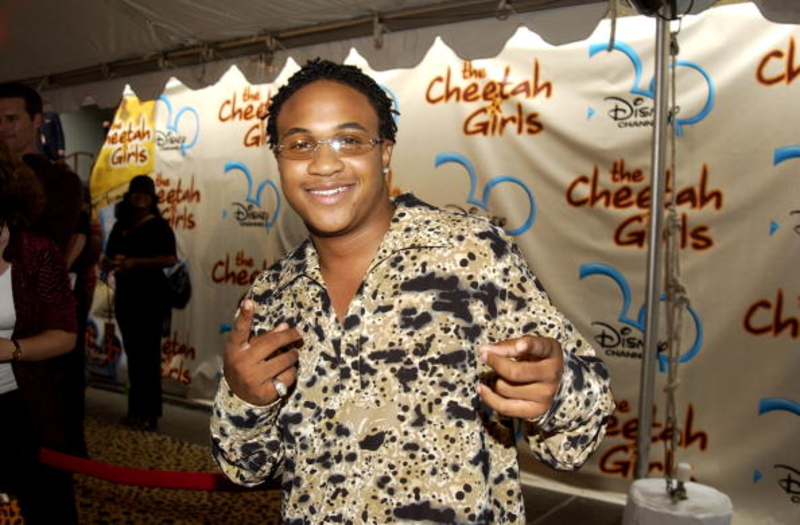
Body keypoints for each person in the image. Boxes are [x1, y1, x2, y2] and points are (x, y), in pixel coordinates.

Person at [211, 59, 614, 524]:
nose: (324, 164)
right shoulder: (272, 295)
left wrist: (556, 390)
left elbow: (578, 436)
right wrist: (244, 399)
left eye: (349, 140)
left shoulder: (472, 255)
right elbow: (246, 468)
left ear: (384, 153)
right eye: (301, 144)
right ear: (280, 160)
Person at [0, 142, 79, 524]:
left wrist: (11, 349)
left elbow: (65, 334)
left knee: (41, 506)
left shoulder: (35, 252)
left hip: (21, 404)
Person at [103, 174, 176, 431]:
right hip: (126, 296)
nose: (141, 197)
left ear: (152, 198)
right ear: (130, 195)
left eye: (146, 193)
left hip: (151, 297)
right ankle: (135, 410)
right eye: (137, 192)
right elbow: (109, 255)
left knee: (149, 357)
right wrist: (110, 263)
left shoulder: (159, 226)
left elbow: (170, 259)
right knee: (134, 355)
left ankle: (150, 414)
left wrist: (137, 262)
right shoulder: (120, 225)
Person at [0, 82, 82, 254]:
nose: (2, 128)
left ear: (37, 120)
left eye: (12, 119)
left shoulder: (61, 181)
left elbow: (45, 249)